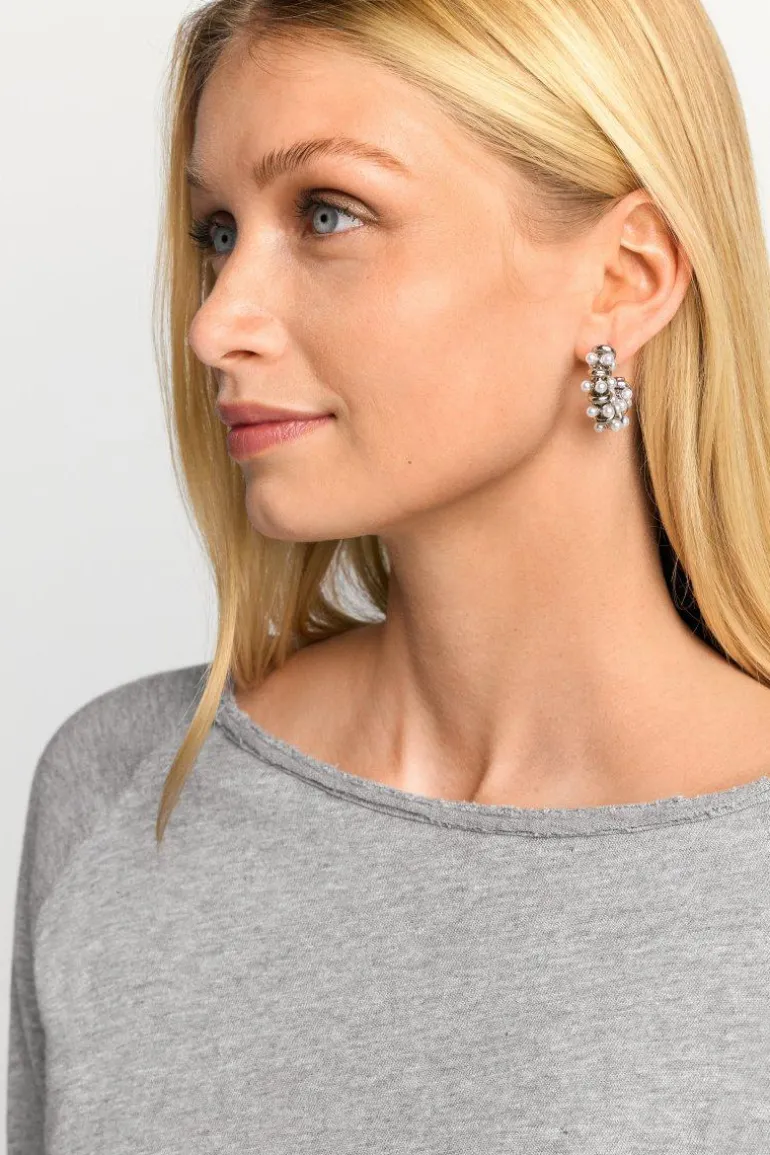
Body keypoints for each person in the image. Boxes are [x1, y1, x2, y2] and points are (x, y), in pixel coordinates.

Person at [9, 0, 770, 1150]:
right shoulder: (124, 788)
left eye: (327, 213)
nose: (216, 324)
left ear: (623, 277)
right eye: (217, 230)